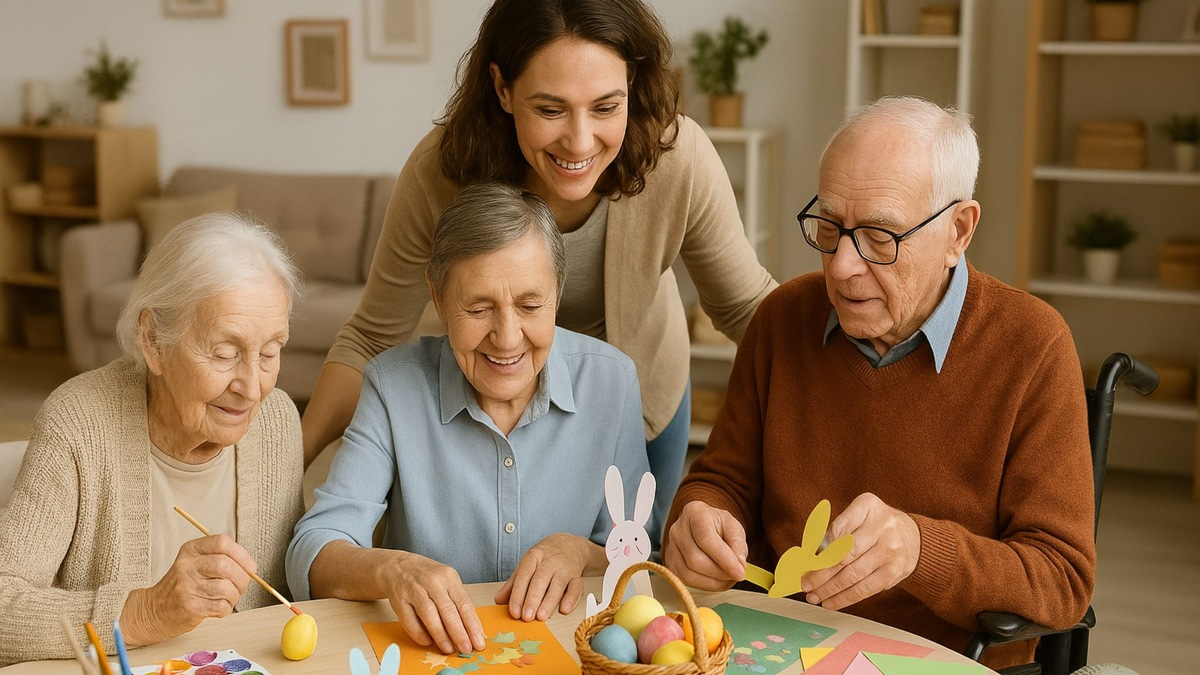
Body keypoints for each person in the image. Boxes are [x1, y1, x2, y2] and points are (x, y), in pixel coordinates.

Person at [299, 0, 778, 548]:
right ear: (502, 88)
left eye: (605, 107)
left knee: (620, 582)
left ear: (634, 81)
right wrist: (290, 468)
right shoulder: (443, 170)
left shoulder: (678, 157)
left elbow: (749, 310)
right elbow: (371, 336)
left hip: (640, 403)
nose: (579, 142)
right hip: (490, 401)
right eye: (550, 110)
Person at [661, 97, 1096, 670]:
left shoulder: (1034, 346)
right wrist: (698, 516)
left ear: (958, 231)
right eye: (830, 227)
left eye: (879, 236)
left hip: (948, 660)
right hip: (775, 648)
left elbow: (1062, 581)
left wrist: (922, 551)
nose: (841, 266)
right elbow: (724, 482)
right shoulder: (781, 319)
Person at [286, 183, 651, 656]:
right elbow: (312, 549)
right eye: (478, 309)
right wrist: (392, 569)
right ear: (437, 299)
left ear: (558, 294)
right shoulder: (391, 385)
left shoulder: (613, 381)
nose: (506, 337)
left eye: (530, 306)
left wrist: (580, 551)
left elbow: (644, 557)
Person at [0, 213, 305, 665]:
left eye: (269, 353)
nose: (253, 387)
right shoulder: (78, 424)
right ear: (153, 341)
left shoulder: (277, 421)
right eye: (225, 353)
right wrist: (143, 612)